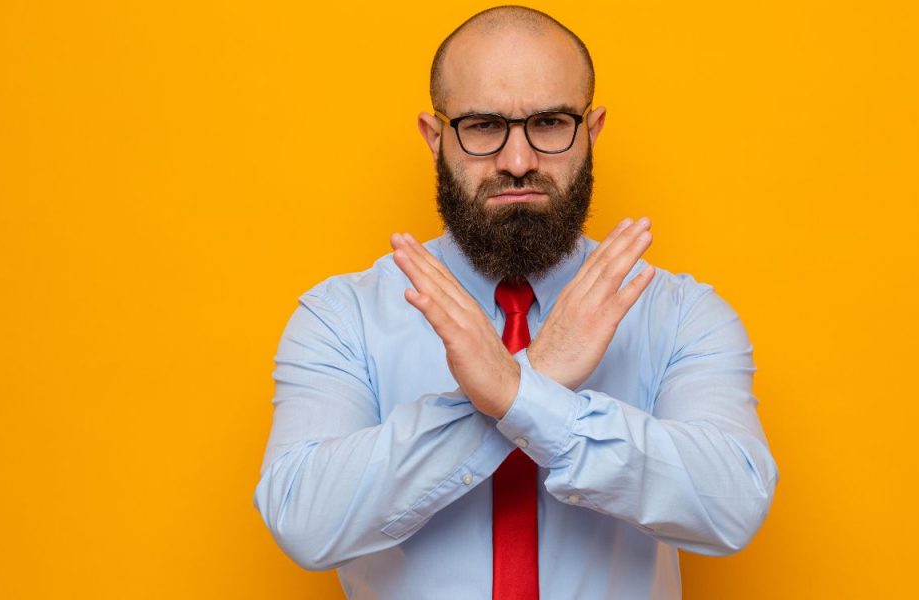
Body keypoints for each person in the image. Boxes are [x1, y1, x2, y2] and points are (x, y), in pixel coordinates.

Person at [253, 5, 778, 599]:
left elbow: (732, 505)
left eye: (550, 122)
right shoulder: (341, 318)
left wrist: (515, 393)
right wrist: (537, 383)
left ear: (592, 131)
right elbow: (305, 520)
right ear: (435, 138)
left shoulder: (681, 314)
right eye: (482, 126)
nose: (519, 161)